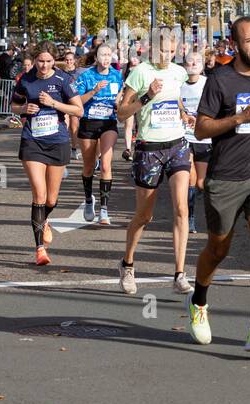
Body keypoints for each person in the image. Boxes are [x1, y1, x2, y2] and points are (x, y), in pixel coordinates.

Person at [184, 17, 250, 353]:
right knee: (218, 249)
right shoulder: (220, 80)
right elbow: (201, 130)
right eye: (249, 40)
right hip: (225, 177)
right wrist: (240, 117)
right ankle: (198, 301)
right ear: (235, 43)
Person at [115, 29, 194, 294]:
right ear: (151, 49)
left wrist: (184, 115)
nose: (167, 56)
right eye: (163, 51)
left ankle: (180, 274)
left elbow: (176, 99)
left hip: (178, 145)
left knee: (182, 208)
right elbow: (122, 112)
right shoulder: (140, 73)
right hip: (149, 149)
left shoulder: (178, 72)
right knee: (144, 215)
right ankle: (127, 264)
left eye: (172, 51)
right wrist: (146, 96)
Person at [11, 42, 83, 266]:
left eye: (48, 61)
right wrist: (23, 110)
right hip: (32, 141)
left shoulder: (63, 80)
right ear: (34, 60)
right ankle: (39, 249)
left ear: (54, 61)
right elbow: (14, 105)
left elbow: (78, 110)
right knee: (39, 196)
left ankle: (45, 219)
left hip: (57, 141)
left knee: (51, 199)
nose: (44, 65)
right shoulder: (26, 79)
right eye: (40, 61)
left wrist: (54, 103)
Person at [73, 44, 122, 225]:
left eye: (109, 55)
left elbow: (119, 97)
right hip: (88, 123)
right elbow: (77, 101)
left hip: (108, 123)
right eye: (103, 54)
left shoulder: (117, 75)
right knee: (89, 166)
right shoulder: (86, 76)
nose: (106, 58)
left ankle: (104, 210)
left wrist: (119, 102)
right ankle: (88, 201)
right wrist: (94, 91)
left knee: (106, 166)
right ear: (96, 57)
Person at [180, 51, 211, 234]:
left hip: (204, 137)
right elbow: (174, 102)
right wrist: (183, 113)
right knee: (190, 179)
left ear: (203, 65)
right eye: (190, 60)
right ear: (185, 64)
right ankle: (189, 218)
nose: (194, 63)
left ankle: (207, 214)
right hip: (184, 136)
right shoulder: (179, 85)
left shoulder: (207, 84)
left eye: (198, 61)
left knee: (201, 183)